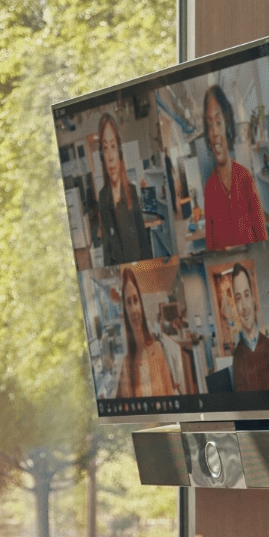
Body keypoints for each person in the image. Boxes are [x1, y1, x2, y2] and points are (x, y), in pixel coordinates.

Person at [202, 84, 269, 250]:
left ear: (228, 126)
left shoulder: (245, 177)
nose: (215, 132)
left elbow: (262, 235)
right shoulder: (210, 189)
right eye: (209, 125)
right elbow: (211, 248)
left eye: (218, 122)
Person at [94, 114, 152, 265]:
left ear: (119, 152)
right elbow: (107, 248)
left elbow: (144, 242)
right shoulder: (103, 197)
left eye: (113, 146)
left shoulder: (131, 191)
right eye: (105, 149)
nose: (110, 157)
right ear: (102, 156)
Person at [116, 267, 182, 397]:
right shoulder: (126, 365)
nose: (134, 309)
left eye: (135, 300)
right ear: (125, 311)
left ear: (141, 303)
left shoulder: (157, 350)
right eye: (128, 303)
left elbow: (170, 394)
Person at [224, 263, 269, 392]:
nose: (244, 306)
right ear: (235, 306)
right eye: (238, 298)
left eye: (246, 295)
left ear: (253, 299)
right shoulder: (237, 356)